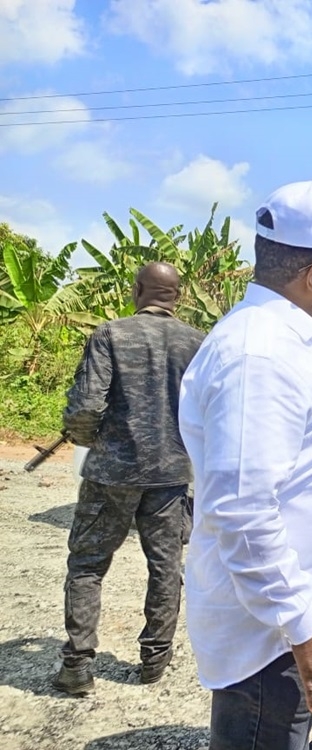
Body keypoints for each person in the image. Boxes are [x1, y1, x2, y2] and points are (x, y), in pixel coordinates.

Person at [178, 178, 312, 750]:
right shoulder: (260, 354)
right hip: (272, 639)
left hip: (283, 627)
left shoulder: (282, 342)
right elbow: (242, 509)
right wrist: (304, 622)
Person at [53, 261, 205, 696]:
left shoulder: (110, 334)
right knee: (164, 567)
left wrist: (90, 441)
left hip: (110, 475)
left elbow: (85, 408)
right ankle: (154, 659)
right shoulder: (197, 343)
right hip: (171, 475)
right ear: (177, 294)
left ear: (138, 289)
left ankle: (78, 666)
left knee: (87, 566)